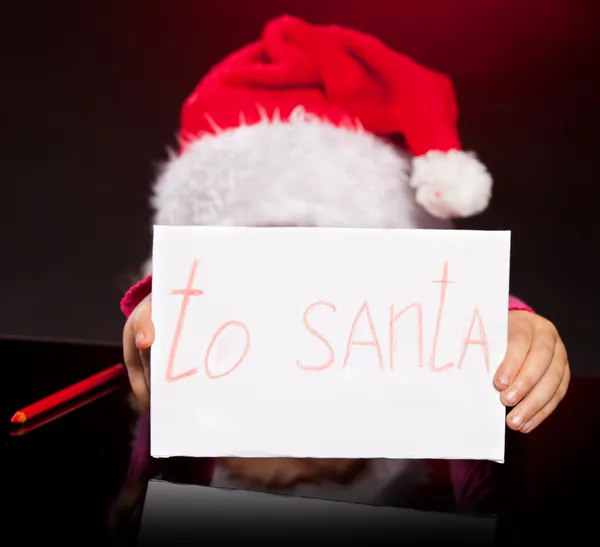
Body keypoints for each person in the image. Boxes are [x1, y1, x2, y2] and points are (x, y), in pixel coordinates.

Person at [120, 15, 570, 512]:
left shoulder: (419, 392)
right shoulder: (195, 405)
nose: (302, 306)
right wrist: (158, 314)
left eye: (335, 265)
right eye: (258, 261)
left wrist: (508, 326)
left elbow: (457, 328)